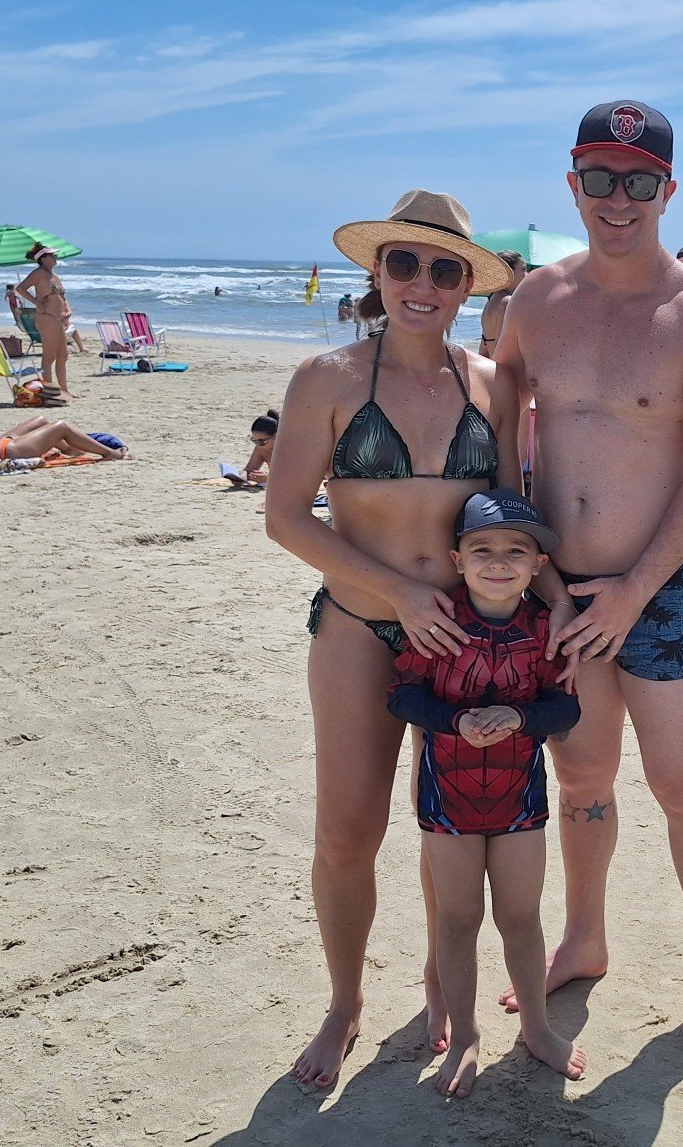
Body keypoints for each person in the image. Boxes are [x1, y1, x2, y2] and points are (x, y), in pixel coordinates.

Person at [493, 99, 683, 1066]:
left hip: (666, 587)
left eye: (638, 182)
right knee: (583, 774)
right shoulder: (536, 302)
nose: (617, 199)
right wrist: (545, 578)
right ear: (573, 184)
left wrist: (637, 590)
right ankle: (585, 936)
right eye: (598, 178)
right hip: (562, 586)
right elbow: (505, 429)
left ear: (666, 191)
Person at [264, 189, 521, 1091]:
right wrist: (402, 592)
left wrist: (551, 608)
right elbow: (288, 519)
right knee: (346, 831)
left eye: (444, 269)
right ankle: (343, 1003)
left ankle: (439, 982)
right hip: (360, 625)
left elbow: (514, 518)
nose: (422, 283)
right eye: (404, 263)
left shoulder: (491, 385)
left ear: (463, 288)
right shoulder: (327, 379)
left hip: (464, 635)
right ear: (376, 273)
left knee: (449, 827)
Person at [391, 489, 588, 1097]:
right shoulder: (438, 620)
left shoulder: (543, 628)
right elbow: (402, 695)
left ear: (536, 567)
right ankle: (468, 1029)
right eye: (482, 549)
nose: (498, 562)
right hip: (445, 795)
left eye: (516, 551)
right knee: (458, 918)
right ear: (457, 559)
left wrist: (519, 717)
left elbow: (565, 708)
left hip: (521, 800)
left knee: (522, 917)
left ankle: (536, 1025)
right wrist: (454, 722)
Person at [16, 246, 75, 400]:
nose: (55, 257)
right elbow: (21, 288)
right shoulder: (39, 274)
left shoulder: (54, 276)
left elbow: (63, 297)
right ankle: (49, 392)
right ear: (43, 258)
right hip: (48, 318)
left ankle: (64, 389)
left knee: (62, 355)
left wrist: (68, 311)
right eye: (52, 255)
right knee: (49, 357)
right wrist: (37, 303)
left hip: (59, 319)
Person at [477, 250, 526, 358]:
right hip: (500, 370)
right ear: (509, 272)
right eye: (523, 269)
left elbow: (484, 348)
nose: (527, 275)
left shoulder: (491, 299)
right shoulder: (506, 302)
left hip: (490, 366)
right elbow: (503, 353)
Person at [229, 409, 278, 487]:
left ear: (277, 436)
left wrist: (269, 479)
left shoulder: (290, 449)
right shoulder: (261, 449)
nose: (259, 445)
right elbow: (248, 469)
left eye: (262, 441)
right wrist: (242, 476)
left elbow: (299, 477)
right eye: (255, 441)